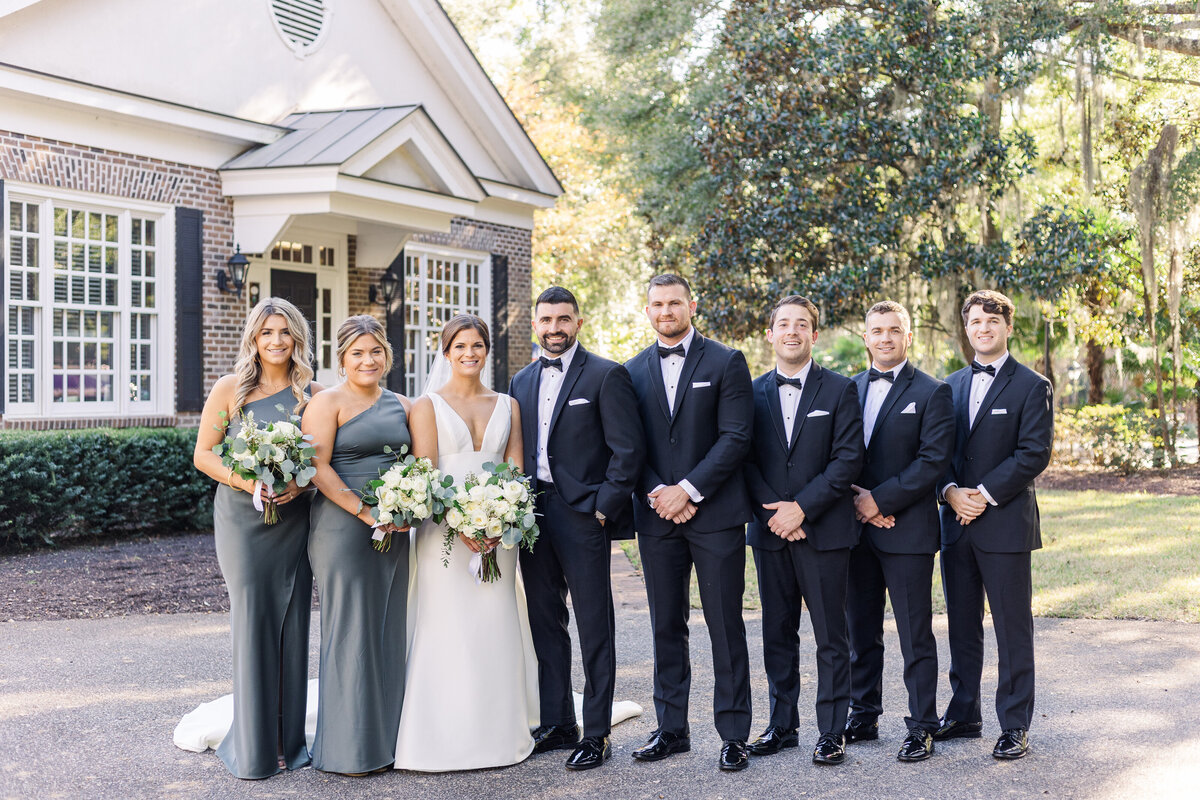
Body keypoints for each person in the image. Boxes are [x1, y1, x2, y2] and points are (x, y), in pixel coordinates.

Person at [392, 314, 539, 771]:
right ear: (446, 352)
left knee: (494, 619)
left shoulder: (509, 405)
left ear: (486, 350)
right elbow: (425, 475)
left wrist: (499, 522)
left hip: (500, 533)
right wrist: (464, 526)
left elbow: (515, 472)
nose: (469, 354)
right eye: (460, 347)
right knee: (448, 623)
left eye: (477, 345)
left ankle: (498, 726)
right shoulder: (427, 405)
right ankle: (442, 729)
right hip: (443, 533)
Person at [509, 286, 645, 771]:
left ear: (578, 323)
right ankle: (558, 721)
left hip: (584, 514)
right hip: (532, 514)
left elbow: (628, 451)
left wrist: (604, 508)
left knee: (594, 623)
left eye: (563, 319)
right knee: (546, 621)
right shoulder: (520, 381)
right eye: (546, 320)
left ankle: (598, 732)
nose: (554, 328)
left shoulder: (607, 375)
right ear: (537, 325)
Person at [625, 274, 755, 772]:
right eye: (657, 303)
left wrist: (690, 489)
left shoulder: (726, 361)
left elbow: (736, 437)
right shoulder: (631, 370)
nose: (666, 311)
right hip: (657, 516)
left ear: (691, 305)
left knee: (725, 624)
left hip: (716, 514)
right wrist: (660, 492)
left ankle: (734, 734)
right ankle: (671, 729)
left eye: (674, 302)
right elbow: (627, 444)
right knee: (665, 625)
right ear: (648, 309)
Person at [191, 297, 322, 779]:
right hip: (242, 521)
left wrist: (297, 483)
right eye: (267, 332)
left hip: (293, 518)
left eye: (285, 332)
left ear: (297, 339)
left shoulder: (312, 393)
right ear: (253, 338)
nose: (276, 341)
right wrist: (251, 482)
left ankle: (289, 741)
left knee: (292, 622)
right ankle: (254, 744)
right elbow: (204, 455)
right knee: (253, 619)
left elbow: (321, 461)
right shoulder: (231, 389)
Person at [742, 295, 864, 766]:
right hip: (770, 530)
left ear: (815, 334)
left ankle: (832, 731)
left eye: (802, 324)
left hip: (826, 530)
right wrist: (777, 513)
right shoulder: (749, 393)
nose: (792, 332)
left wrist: (802, 509)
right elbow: (743, 458)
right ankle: (782, 725)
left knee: (831, 635)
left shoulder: (839, 390)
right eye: (783, 324)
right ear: (770, 334)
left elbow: (848, 459)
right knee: (777, 630)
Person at [935, 290, 1053, 760]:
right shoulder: (949, 385)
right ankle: (964, 713)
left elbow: (1034, 453)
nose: (982, 329)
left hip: (1003, 523)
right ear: (966, 329)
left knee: (1011, 626)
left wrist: (981, 495)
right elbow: (936, 452)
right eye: (975, 322)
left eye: (991, 321)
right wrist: (948, 492)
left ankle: (1015, 724)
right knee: (962, 624)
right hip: (954, 523)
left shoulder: (1031, 384)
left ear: (1007, 327)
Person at [845, 301, 955, 762]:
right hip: (852, 530)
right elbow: (835, 455)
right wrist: (858, 505)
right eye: (877, 331)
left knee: (915, 633)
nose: (885, 338)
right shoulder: (844, 389)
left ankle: (921, 724)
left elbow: (931, 461)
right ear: (865, 338)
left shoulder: (933, 392)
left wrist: (880, 501)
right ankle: (863, 712)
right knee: (860, 630)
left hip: (907, 529)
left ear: (908, 337)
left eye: (894, 330)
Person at [302, 315, 411, 775]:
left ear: (387, 355)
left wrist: (405, 510)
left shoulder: (405, 404)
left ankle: (388, 741)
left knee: (388, 629)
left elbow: (420, 466)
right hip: (344, 529)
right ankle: (347, 749)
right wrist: (367, 514)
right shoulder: (326, 403)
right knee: (350, 631)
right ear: (342, 358)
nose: (368, 360)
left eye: (376, 352)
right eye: (357, 353)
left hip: (397, 530)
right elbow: (318, 467)